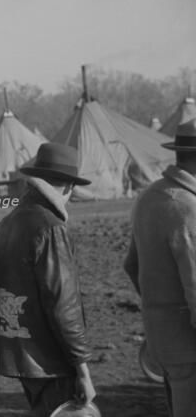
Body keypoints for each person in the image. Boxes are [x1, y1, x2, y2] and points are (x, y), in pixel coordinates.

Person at [0, 143, 95, 416]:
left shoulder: (6, 225)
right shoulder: (50, 227)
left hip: (22, 352)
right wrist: (82, 367)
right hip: (52, 359)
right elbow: (63, 306)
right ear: (68, 187)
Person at [124, 118, 196, 417]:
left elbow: (131, 264)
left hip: (163, 338)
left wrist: (160, 307)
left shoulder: (149, 197)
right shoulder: (186, 207)